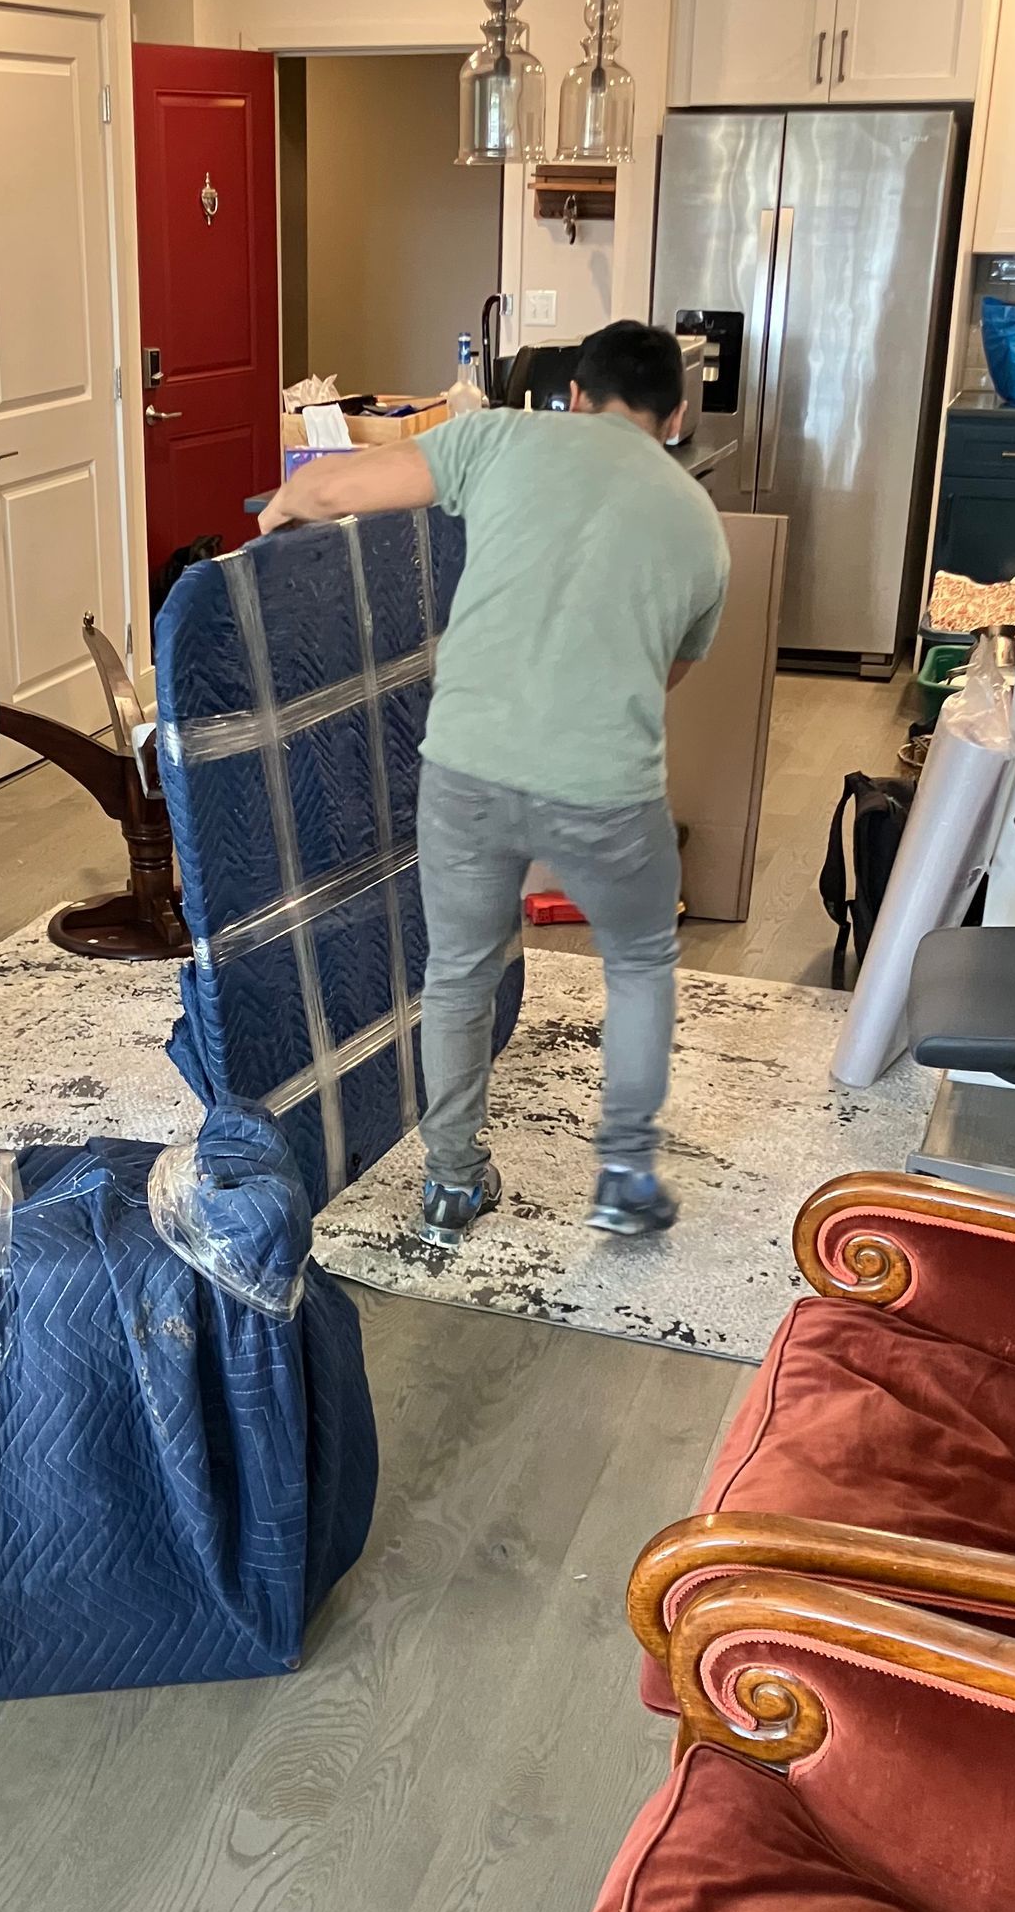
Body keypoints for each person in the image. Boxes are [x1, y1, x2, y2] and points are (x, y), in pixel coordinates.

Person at [260, 320, 730, 1248]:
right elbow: (663, 675)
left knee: (460, 973)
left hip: (467, 765)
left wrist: (276, 523)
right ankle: (627, 1173)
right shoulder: (702, 527)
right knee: (639, 961)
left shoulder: (503, 435)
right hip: (606, 786)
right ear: (673, 417)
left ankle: (450, 1183)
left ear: (577, 396)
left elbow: (329, 485)